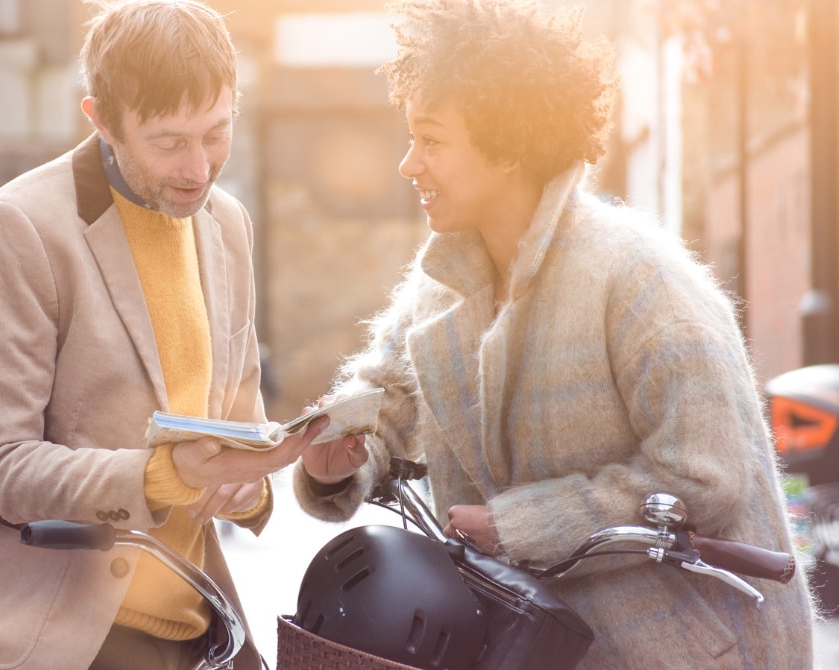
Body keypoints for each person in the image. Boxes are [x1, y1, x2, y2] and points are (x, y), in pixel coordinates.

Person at [295, 0, 814, 667]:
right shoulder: (445, 285)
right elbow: (382, 396)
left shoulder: (641, 280)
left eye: (431, 140)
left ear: (507, 145)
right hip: (527, 645)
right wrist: (343, 456)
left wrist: (520, 527)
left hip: (681, 649)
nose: (408, 164)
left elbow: (703, 475)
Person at [0, 2, 323, 668]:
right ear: (100, 119)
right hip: (53, 637)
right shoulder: (18, 229)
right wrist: (161, 476)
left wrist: (250, 483)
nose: (199, 166)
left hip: (195, 630)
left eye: (216, 132)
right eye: (168, 142)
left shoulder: (228, 226)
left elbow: (240, 422)